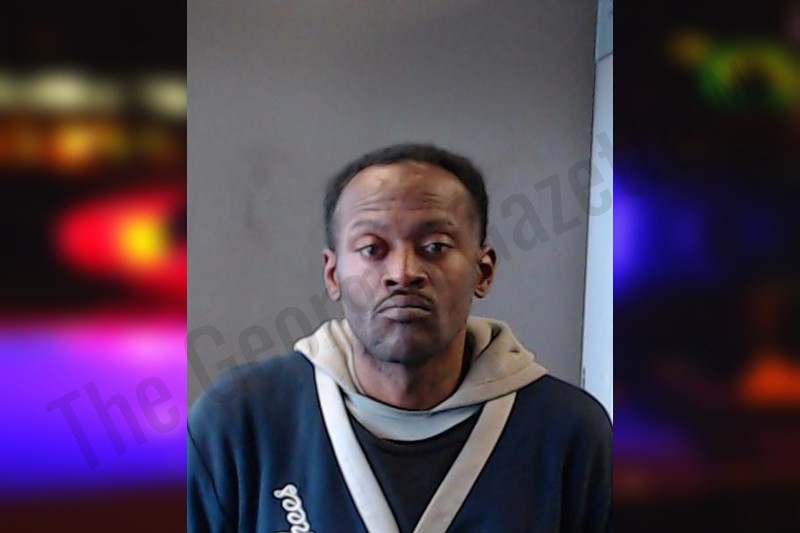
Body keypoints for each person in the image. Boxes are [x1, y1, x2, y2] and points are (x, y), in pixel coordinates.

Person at [188, 143, 612, 533]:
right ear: (333, 275)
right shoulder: (240, 420)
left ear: (483, 271)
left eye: (435, 246)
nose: (403, 272)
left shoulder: (570, 433)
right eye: (372, 249)